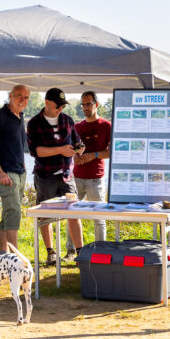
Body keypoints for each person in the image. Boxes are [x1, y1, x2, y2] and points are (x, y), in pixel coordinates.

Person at [27, 87, 84, 266]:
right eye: (58, 105)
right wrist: (60, 149)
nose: (61, 109)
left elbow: (77, 141)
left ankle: (80, 252)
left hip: (67, 175)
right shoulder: (34, 123)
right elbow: (36, 152)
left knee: (74, 213)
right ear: (47, 103)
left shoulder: (68, 120)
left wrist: (80, 148)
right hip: (45, 176)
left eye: (63, 105)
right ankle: (50, 252)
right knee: (45, 215)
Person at [0, 84, 30, 253]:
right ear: (10, 96)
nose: (22, 100)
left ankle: (4, 255)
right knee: (14, 213)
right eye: (19, 95)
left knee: (8, 215)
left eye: (26, 97)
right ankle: (15, 259)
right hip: (6, 174)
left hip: (19, 172)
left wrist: (23, 167)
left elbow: (17, 145)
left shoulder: (20, 117)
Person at [65, 90, 112, 257]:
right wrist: (75, 157)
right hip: (76, 177)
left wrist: (94, 155)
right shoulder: (77, 127)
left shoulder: (106, 126)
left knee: (99, 217)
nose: (85, 107)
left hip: (95, 179)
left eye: (88, 104)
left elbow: (113, 151)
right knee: (71, 214)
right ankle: (71, 251)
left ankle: (101, 251)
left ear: (96, 104)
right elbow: (71, 149)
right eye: (83, 104)